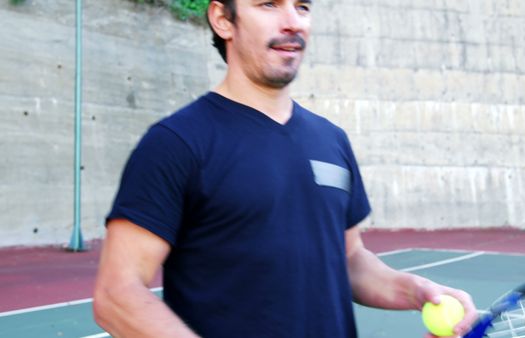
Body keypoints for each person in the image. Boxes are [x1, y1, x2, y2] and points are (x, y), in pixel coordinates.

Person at [92, 0, 478, 337]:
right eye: (269, 4)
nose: (293, 21)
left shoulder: (331, 140)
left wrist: (417, 291)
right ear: (223, 19)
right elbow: (117, 295)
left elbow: (347, 259)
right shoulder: (176, 143)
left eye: (302, 6)